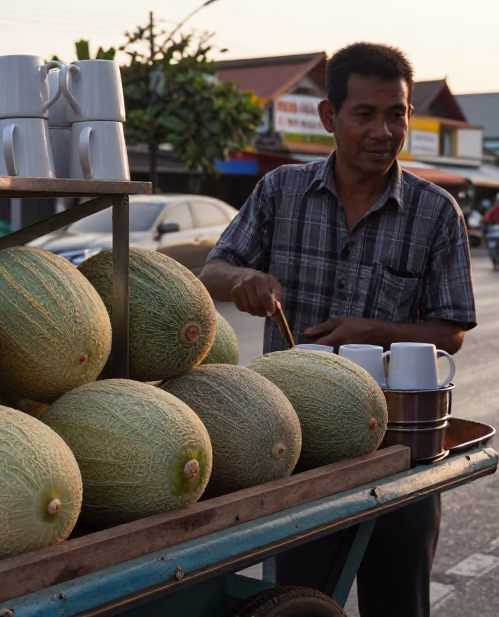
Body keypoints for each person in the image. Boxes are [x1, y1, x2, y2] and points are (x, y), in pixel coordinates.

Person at [200, 42, 476, 617]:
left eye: (396, 113)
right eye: (365, 114)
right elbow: (213, 270)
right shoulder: (281, 192)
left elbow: (450, 332)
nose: (384, 130)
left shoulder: (436, 211)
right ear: (330, 118)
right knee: (303, 603)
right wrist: (245, 277)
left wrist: (372, 330)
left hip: (400, 448)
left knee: (399, 603)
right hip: (298, 445)